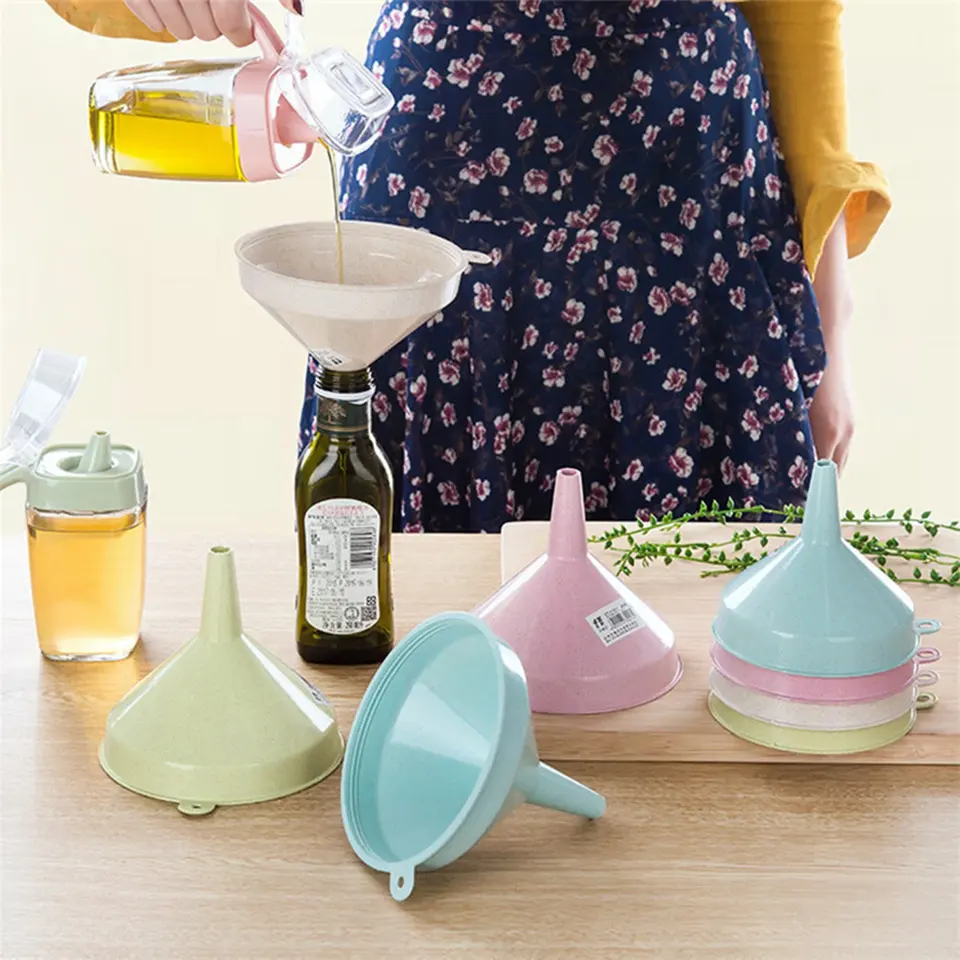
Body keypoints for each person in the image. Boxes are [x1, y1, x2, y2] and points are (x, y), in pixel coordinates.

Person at [91, 0, 891, 533]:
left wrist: (833, 307)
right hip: (446, 162)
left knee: (707, 643)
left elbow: (800, 14)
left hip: (688, 180)